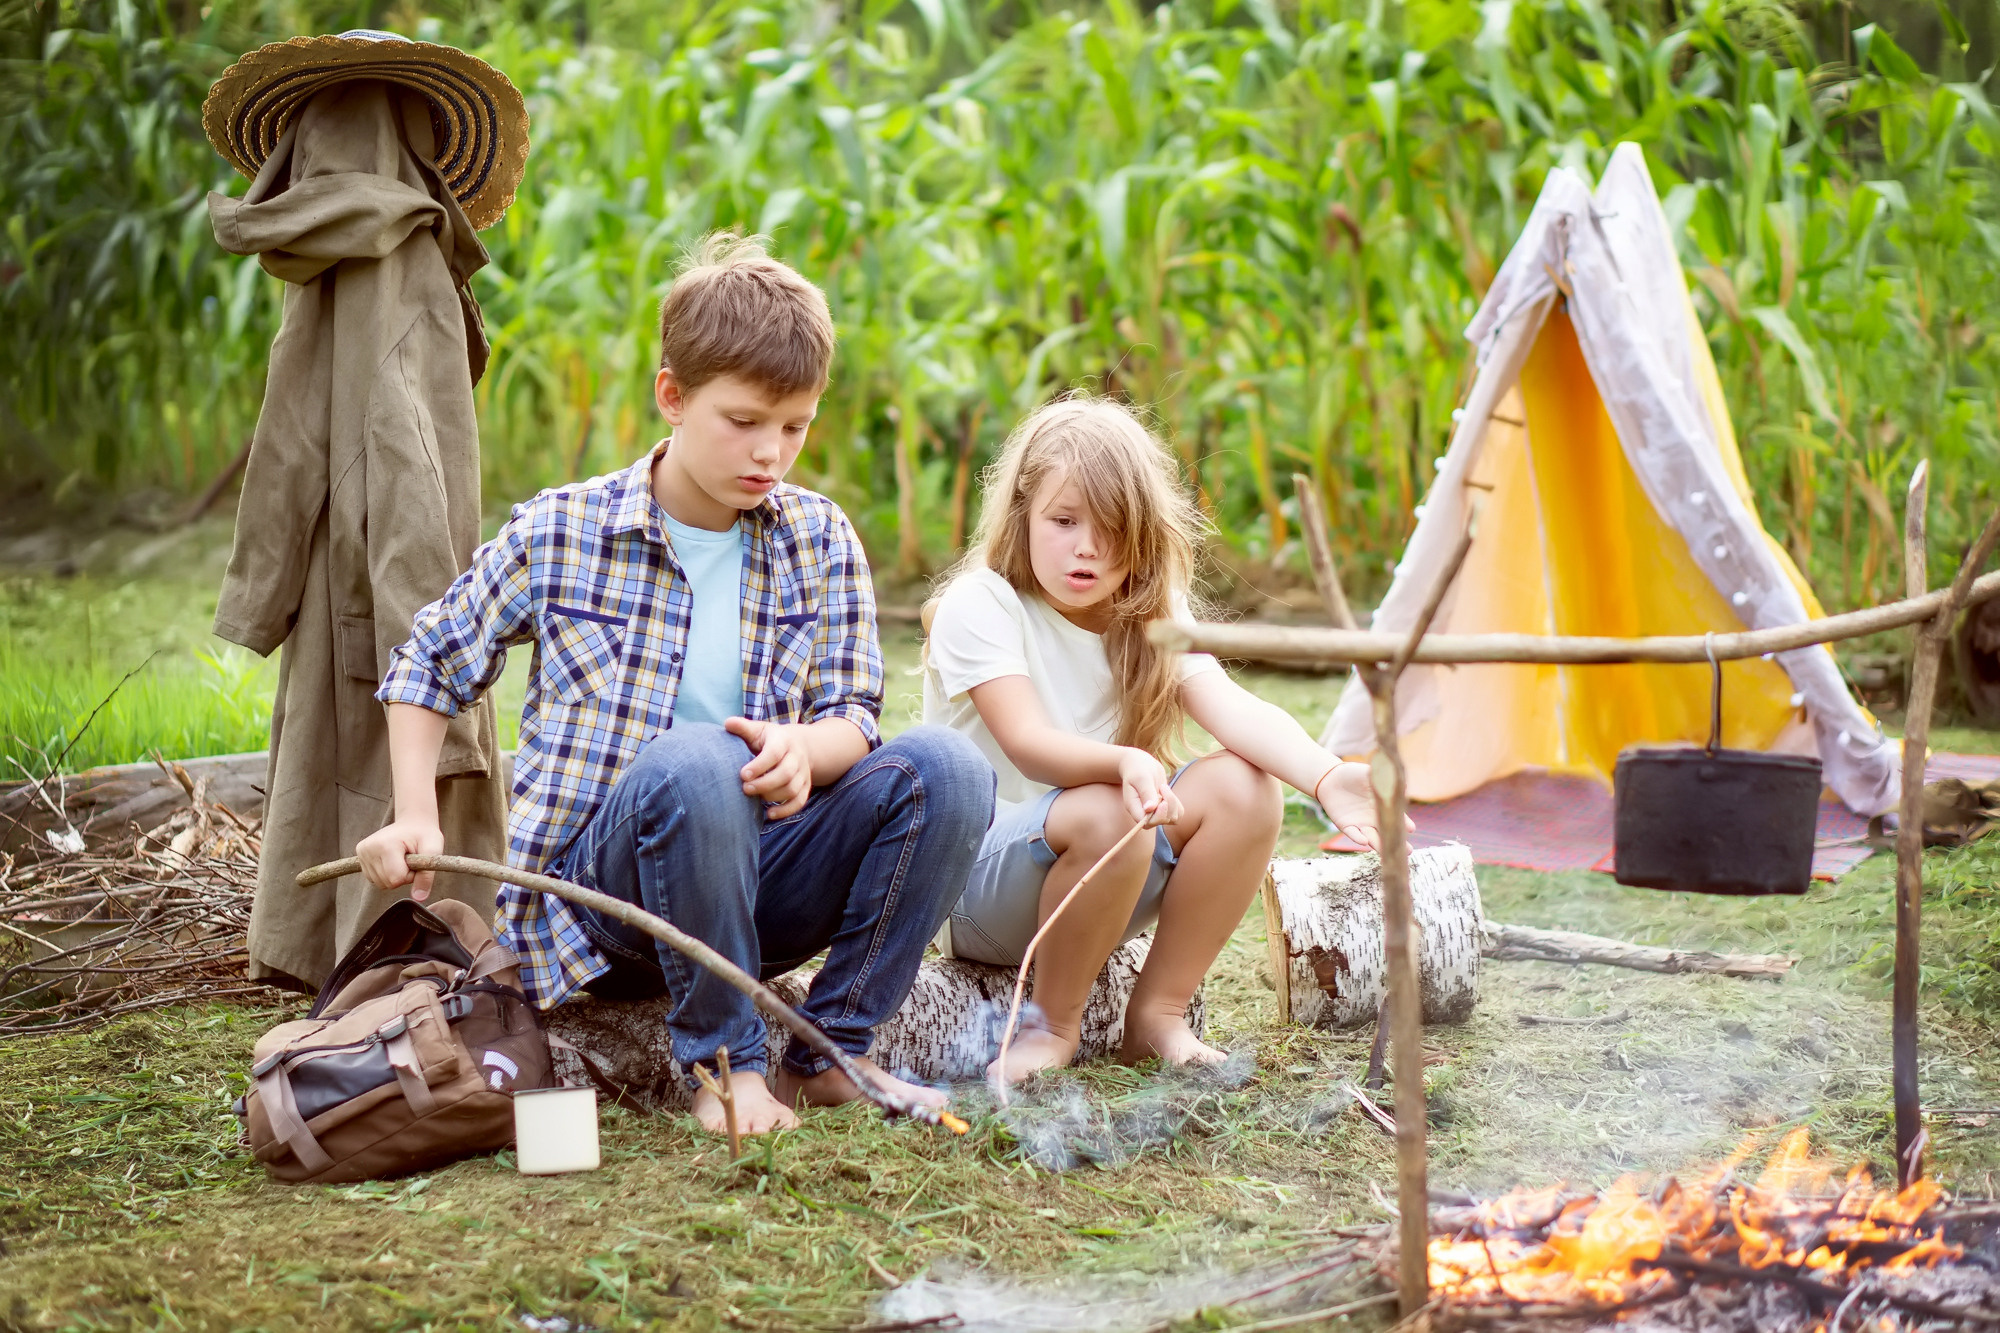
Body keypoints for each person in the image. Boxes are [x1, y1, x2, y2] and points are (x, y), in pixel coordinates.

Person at [357, 234, 994, 1136]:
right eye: (743, 421)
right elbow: (429, 660)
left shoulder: (818, 538)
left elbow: (854, 714)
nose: (770, 451)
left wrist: (803, 751)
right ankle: (727, 1073)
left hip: (760, 888)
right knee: (699, 765)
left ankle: (831, 1052)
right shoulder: (564, 530)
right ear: (672, 395)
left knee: (951, 770)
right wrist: (415, 810)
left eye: (795, 426)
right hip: (605, 910)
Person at [923, 397, 1395, 1085]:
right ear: (1022, 513)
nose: (1086, 547)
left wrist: (1327, 777)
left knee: (1244, 786)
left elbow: (1230, 706)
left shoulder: (1149, 618)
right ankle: (1053, 1026)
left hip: (1099, 878)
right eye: (1063, 521)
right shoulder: (983, 603)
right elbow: (1026, 742)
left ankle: (1157, 1014)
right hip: (977, 888)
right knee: (1113, 805)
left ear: (1142, 538)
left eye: (1112, 530)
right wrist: (1124, 761)